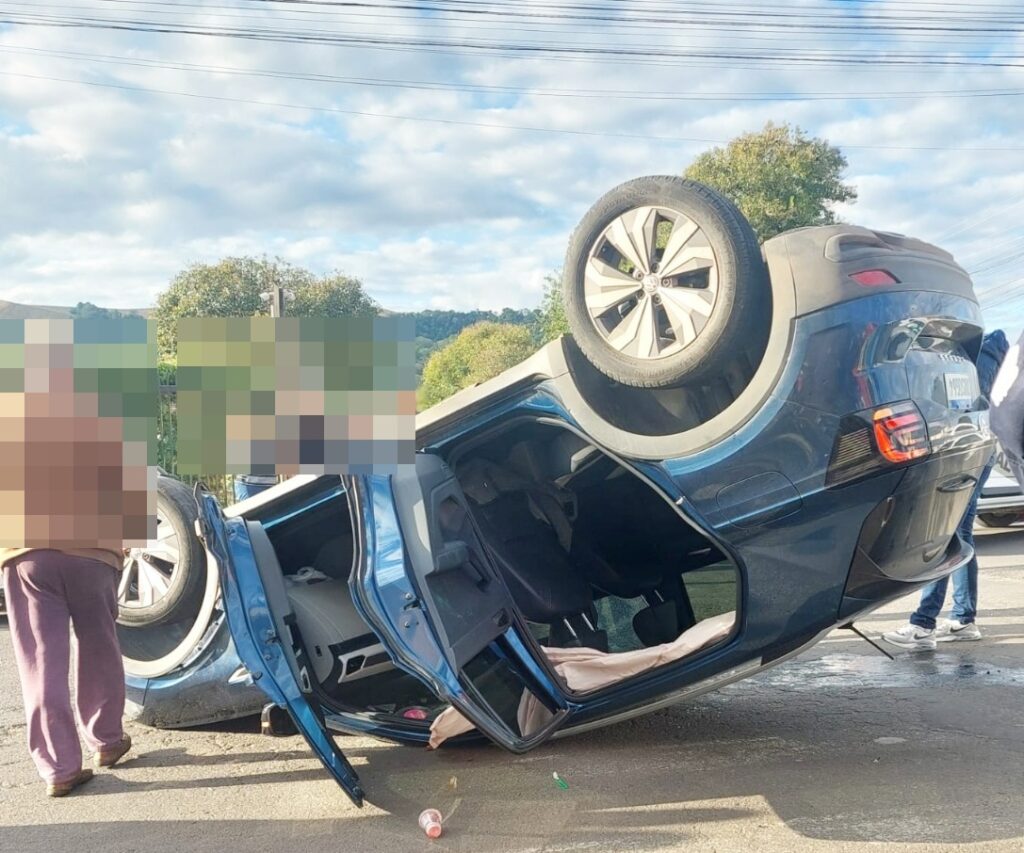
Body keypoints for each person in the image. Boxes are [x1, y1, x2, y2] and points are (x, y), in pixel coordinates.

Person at [883, 329, 1010, 651]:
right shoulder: (980, 358)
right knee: (958, 536)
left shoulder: (967, 360)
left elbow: (956, 413)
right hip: (977, 452)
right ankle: (962, 620)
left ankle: (924, 624)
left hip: (964, 455)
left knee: (945, 537)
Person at [2, 547, 133, 796]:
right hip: (95, 548)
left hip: (26, 547)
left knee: (41, 663)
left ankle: (59, 768)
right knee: (100, 647)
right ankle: (107, 741)